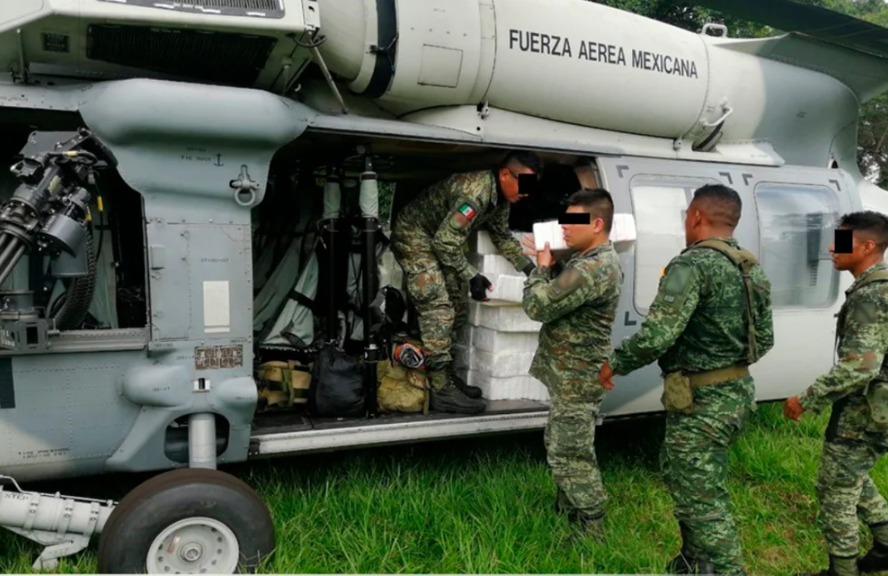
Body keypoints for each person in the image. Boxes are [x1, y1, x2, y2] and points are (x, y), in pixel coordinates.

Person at [599, 183, 774, 575]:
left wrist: (614, 364)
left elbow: (657, 335)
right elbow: (764, 340)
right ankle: (695, 562)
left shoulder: (691, 265)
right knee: (690, 477)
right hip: (736, 392)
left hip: (702, 398)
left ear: (695, 216)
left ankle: (728, 570)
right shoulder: (749, 266)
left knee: (702, 498)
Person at [390, 150, 542, 414]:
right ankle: (440, 390)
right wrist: (473, 275)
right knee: (438, 308)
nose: (526, 192)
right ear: (506, 174)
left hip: (437, 241)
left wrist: (530, 269)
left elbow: (502, 236)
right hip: (414, 235)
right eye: (524, 184)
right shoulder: (476, 194)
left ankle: (446, 376)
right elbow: (444, 242)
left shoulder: (500, 200)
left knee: (457, 305)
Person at [784, 211, 888, 576]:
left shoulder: (872, 295)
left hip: (864, 413)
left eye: (841, 241)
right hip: (876, 412)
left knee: (835, 490)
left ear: (868, 246)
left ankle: (842, 571)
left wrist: (806, 399)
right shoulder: (880, 286)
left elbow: (861, 367)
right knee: (851, 477)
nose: (831, 248)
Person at [520, 188, 624, 537]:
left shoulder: (590, 269)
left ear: (596, 224)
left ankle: (591, 524)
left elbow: (538, 306)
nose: (564, 226)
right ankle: (568, 508)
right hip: (574, 373)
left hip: (577, 376)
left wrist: (541, 269)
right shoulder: (592, 262)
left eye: (573, 220)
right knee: (562, 442)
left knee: (570, 453)